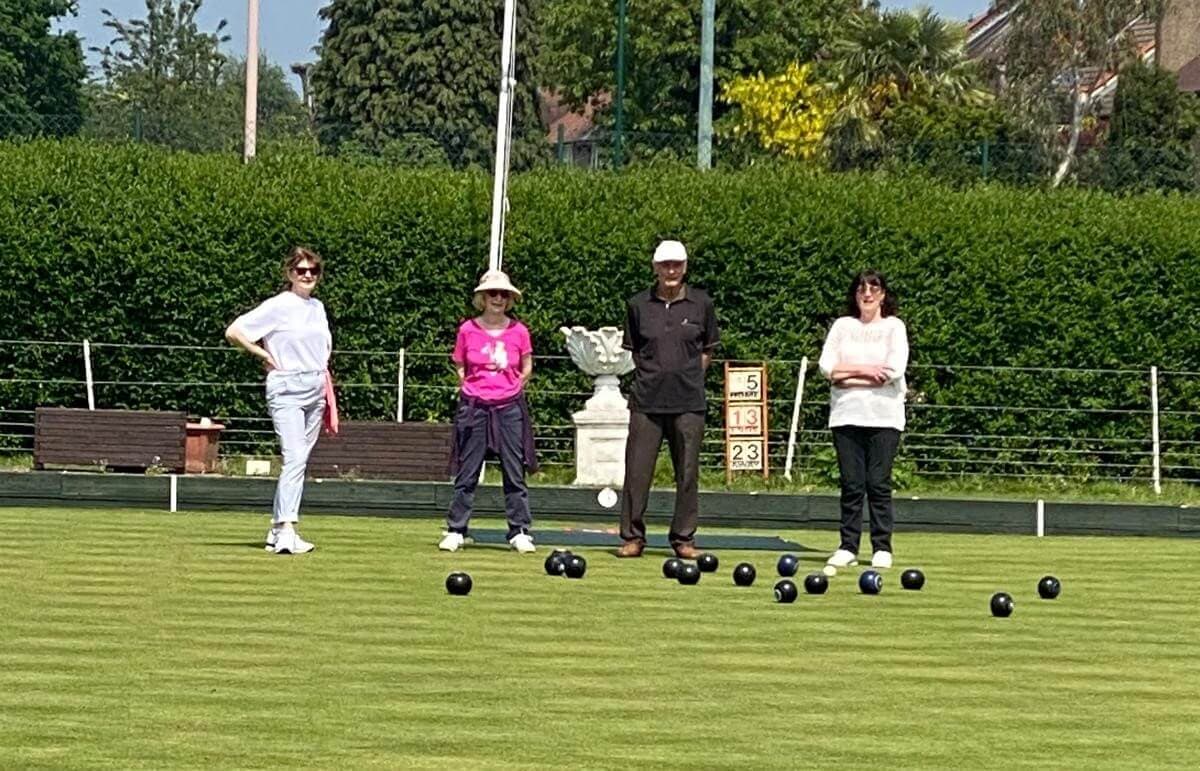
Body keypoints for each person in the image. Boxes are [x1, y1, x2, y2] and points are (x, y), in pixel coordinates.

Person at [225, 246, 333, 555]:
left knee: (299, 461)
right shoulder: (279, 305)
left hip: (316, 387)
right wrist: (264, 354)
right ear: (289, 274)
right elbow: (235, 331)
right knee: (295, 457)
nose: (308, 275)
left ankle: (276, 528)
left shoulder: (318, 307)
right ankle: (287, 528)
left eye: (314, 270)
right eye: (301, 270)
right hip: (287, 387)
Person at [617, 240, 720, 559]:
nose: (671, 270)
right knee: (636, 471)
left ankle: (683, 539)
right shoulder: (637, 305)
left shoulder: (702, 303)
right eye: (665, 265)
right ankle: (633, 537)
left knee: (687, 472)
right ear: (655, 268)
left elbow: (708, 350)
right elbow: (634, 350)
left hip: (689, 402)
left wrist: (687, 378)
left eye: (676, 264)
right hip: (646, 401)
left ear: (685, 266)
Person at [439, 269, 538, 554]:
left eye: (503, 294)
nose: (498, 299)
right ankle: (457, 529)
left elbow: (527, 365)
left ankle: (519, 530)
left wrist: (514, 385)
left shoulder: (519, 331)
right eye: (492, 294)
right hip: (475, 407)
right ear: (482, 298)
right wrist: (472, 388)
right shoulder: (467, 330)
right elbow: (460, 364)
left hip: (509, 408)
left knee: (513, 470)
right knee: (467, 471)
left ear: (509, 300)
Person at [818, 269, 908, 572]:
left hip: (884, 417)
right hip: (846, 415)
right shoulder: (843, 326)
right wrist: (867, 371)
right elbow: (827, 367)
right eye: (861, 289)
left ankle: (882, 546)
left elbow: (892, 371)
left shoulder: (895, 327)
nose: (867, 295)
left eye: (873, 289)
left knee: (878, 483)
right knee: (852, 484)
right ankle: (847, 546)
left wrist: (848, 375)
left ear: (883, 294)